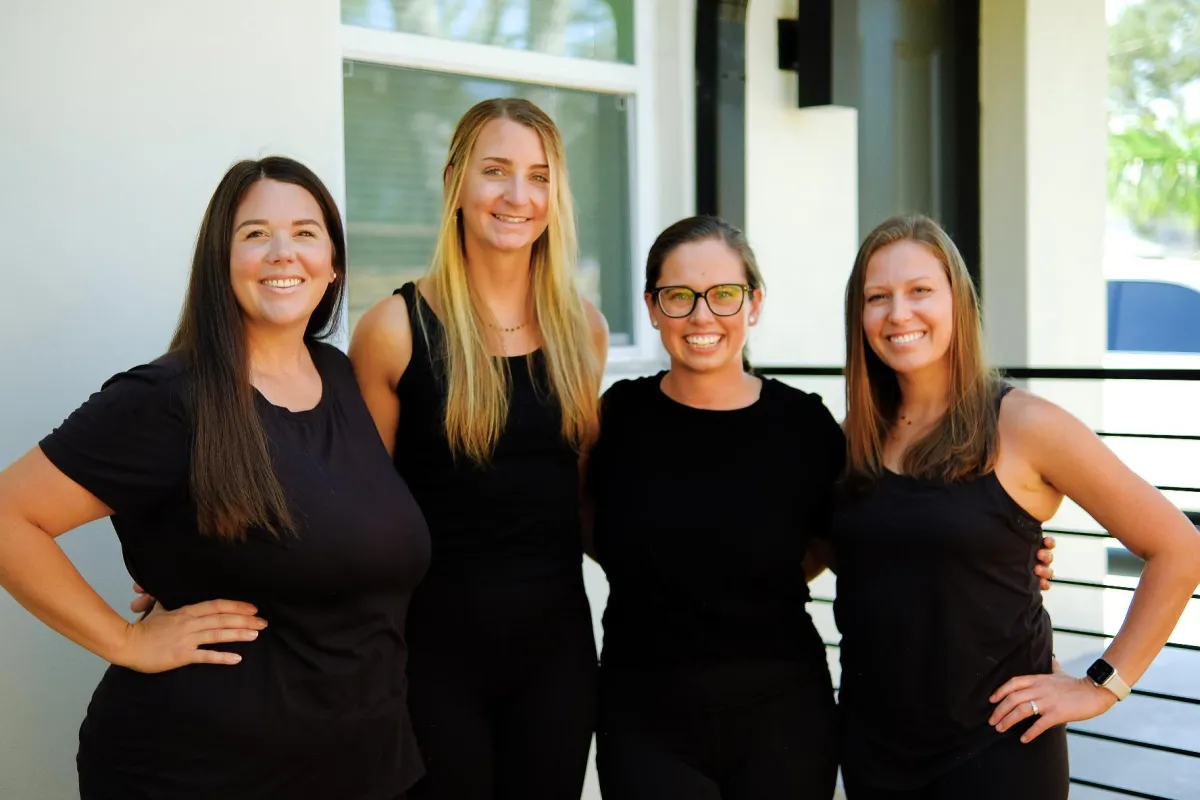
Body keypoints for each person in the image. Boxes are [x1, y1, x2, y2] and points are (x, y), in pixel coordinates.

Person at [0, 157, 431, 800]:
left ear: (333, 262)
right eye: (255, 233)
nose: (283, 252)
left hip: (366, 765)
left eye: (306, 233)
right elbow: (10, 515)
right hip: (200, 771)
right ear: (218, 261)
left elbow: (333, 540)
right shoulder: (168, 398)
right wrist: (125, 640)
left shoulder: (337, 376)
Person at [586, 215, 1056, 799]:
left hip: (781, 719)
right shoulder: (616, 418)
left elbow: (865, 536)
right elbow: (578, 520)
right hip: (645, 717)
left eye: (724, 295)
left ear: (753, 304)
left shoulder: (804, 427)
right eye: (678, 296)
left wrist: (1006, 555)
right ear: (652, 308)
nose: (702, 315)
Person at [829, 214, 1200, 800]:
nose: (899, 313)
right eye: (879, 297)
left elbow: (1179, 547)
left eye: (920, 291)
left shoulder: (1024, 424)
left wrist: (1103, 685)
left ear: (959, 302)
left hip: (995, 754)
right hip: (875, 748)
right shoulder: (858, 435)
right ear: (860, 315)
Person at [349, 98, 608, 800]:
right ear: (455, 183)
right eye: (496, 171)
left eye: (538, 176)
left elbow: (578, 493)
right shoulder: (393, 330)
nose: (517, 196)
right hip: (432, 660)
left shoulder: (583, 330)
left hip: (557, 659)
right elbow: (360, 512)